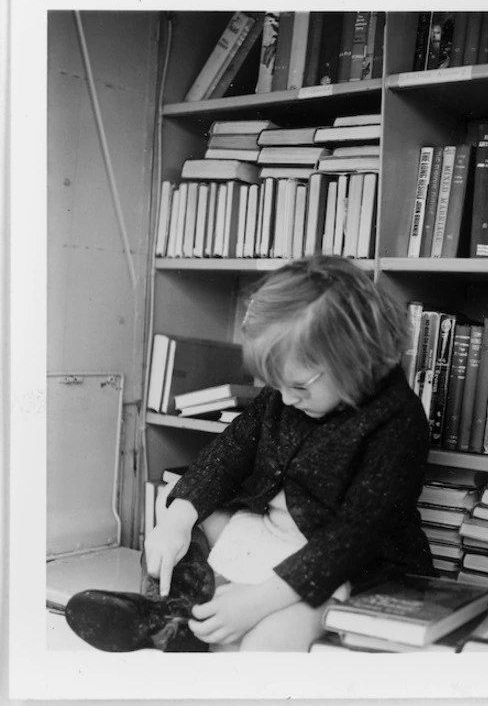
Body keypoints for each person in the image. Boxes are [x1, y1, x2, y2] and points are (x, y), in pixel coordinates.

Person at [66, 255, 435, 652]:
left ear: (355, 360)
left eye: (300, 386)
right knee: (176, 537)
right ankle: (168, 618)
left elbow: (353, 538)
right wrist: (176, 518)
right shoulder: (285, 395)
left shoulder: (399, 420)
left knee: (271, 638)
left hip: (352, 564)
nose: (287, 399)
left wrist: (255, 604)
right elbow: (228, 453)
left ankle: (190, 628)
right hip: (274, 533)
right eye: (277, 385)